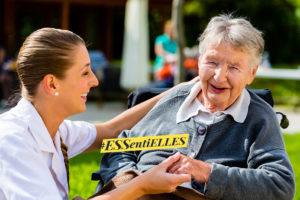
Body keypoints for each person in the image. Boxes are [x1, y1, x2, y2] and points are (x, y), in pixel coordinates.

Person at [100, 14, 295, 200]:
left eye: (234, 67)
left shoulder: (258, 118)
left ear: (251, 73)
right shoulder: (173, 101)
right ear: (199, 62)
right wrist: (130, 183)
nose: (219, 76)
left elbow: (280, 185)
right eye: (212, 61)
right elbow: (119, 147)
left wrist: (208, 173)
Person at [0, 28, 191, 200]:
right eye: (84, 73)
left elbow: (112, 130)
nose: (95, 81)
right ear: (52, 84)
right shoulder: (13, 141)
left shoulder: (53, 129)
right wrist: (142, 185)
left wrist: (180, 91)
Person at [150, 20, 177, 88]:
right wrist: (172, 57)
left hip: (172, 71)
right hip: (161, 68)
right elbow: (159, 52)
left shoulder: (175, 42)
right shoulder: (161, 39)